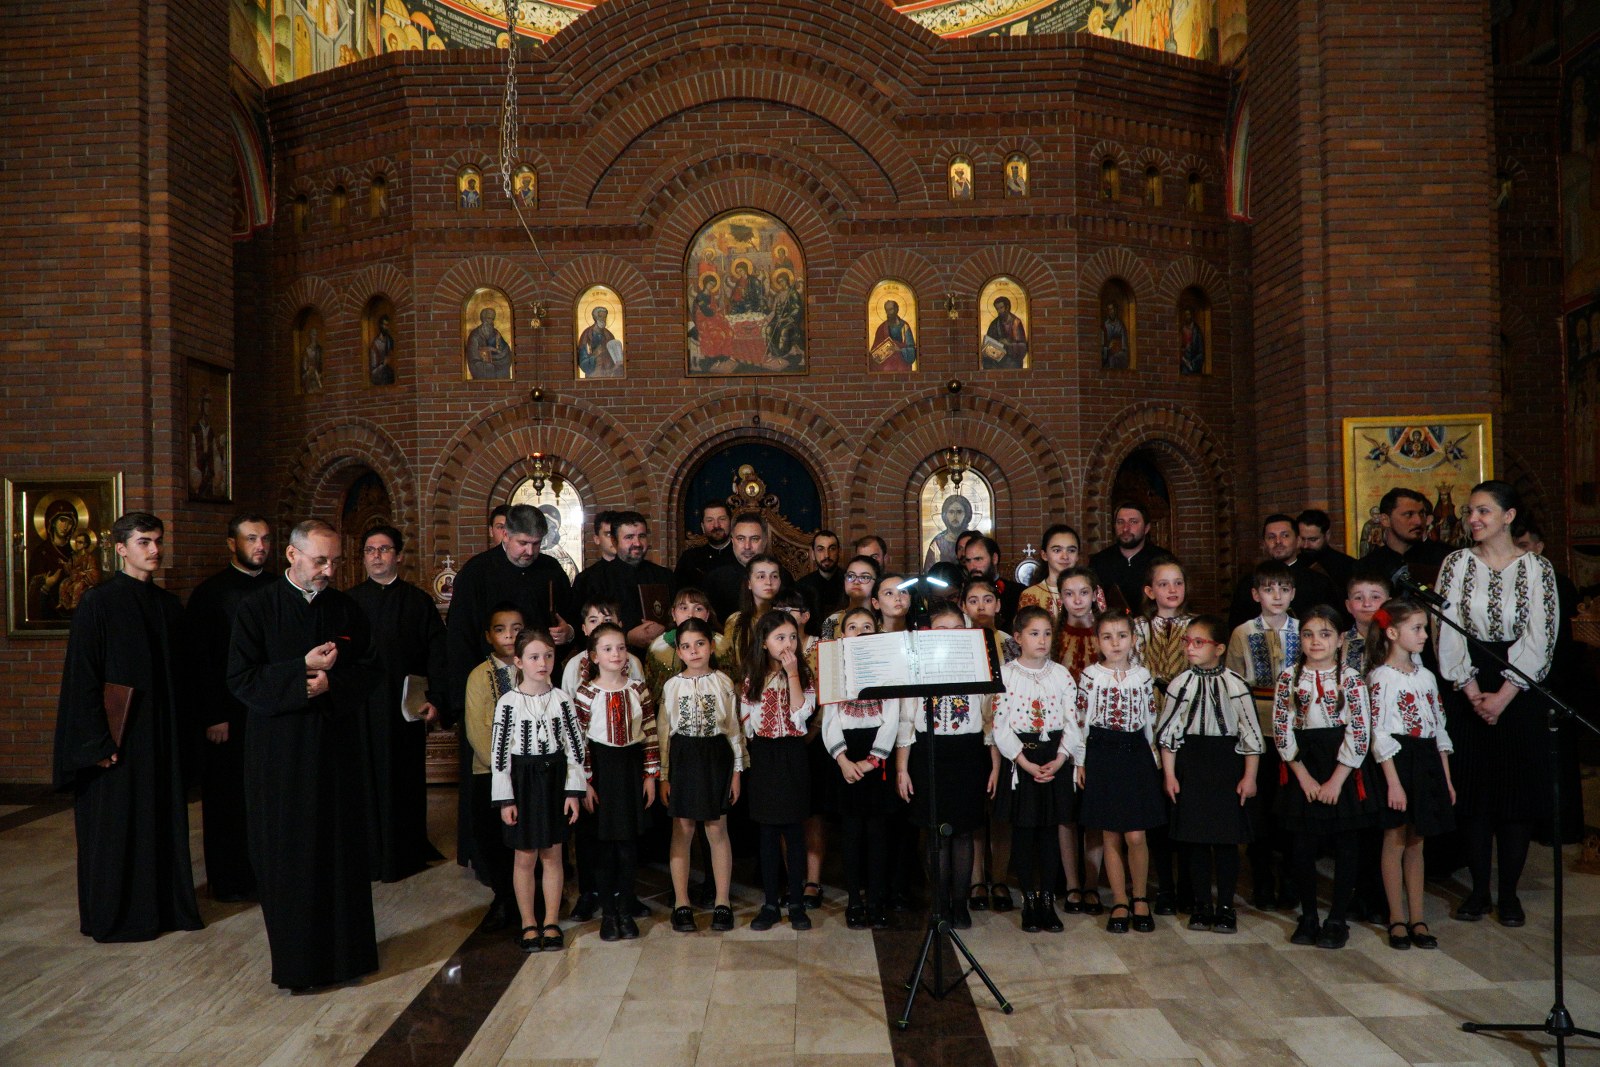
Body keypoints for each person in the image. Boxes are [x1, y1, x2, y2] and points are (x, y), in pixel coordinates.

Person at [228, 520, 381, 990]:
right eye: (319, 561)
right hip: (281, 756)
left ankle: (349, 959)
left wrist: (333, 682)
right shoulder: (256, 608)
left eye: (334, 561)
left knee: (341, 852)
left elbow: (371, 669)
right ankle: (300, 966)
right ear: (292, 556)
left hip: (336, 752)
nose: (328, 570)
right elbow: (241, 679)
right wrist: (301, 673)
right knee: (290, 857)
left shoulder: (345, 608)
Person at [53, 511, 203, 944]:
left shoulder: (168, 606)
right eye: (144, 542)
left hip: (160, 737)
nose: (155, 550)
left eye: (158, 541)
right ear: (120, 549)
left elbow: (183, 679)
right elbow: (83, 677)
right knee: (116, 828)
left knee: (160, 823)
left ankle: (165, 909)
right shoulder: (98, 603)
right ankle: (117, 916)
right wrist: (97, 742)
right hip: (117, 739)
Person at [1435, 481, 1557, 927]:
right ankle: (1478, 892)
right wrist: (1470, 691)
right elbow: (1444, 628)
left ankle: (1509, 895)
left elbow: (1541, 637)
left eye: (1484, 511)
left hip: (1519, 689)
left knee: (1514, 796)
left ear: (1508, 516)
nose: (1473, 519)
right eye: (1470, 512)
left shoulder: (1537, 568)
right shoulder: (1455, 564)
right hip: (1467, 681)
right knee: (1474, 793)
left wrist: (1504, 696)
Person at [445, 504, 575, 900]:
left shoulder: (550, 570)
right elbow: (460, 635)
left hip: (539, 690)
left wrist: (567, 632)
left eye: (536, 544)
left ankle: (548, 864)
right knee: (492, 784)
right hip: (488, 687)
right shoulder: (477, 572)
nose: (529, 552)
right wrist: (467, 694)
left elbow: (569, 623)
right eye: (522, 543)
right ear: (504, 535)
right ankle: (494, 871)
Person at [348, 524, 447, 882]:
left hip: (404, 709)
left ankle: (403, 853)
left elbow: (438, 654)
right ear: (363, 557)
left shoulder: (418, 602)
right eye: (370, 550)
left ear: (399, 556)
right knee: (362, 781)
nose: (377, 556)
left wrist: (436, 699)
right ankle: (368, 854)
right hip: (359, 711)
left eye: (384, 549)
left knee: (403, 780)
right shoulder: (348, 602)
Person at [1274, 605, 1376, 950]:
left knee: (1346, 843)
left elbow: (1360, 730)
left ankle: (1337, 918)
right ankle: (1308, 916)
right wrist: (1302, 775)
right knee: (1302, 844)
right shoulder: (1288, 677)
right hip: (1304, 764)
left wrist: (1337, 780)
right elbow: (1281, 729)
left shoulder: (1351, 679)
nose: (1316, 641)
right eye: (1308, 634)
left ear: (1340, 639)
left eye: (1325, 634)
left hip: (1339, 765)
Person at [185, 513, 275, 902]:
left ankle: (270, 877)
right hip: (226, 715)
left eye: (265, 539)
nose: (260, 546)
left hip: (268, 712)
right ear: (231, 544)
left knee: (267, 798)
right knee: (227, 800)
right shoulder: (210, 594)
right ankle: (230, 881)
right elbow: (200, 661)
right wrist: (213, 714)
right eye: (251, 539)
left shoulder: (278, 587)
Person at [896, 603, 1000, 929]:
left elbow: (988, 718)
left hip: (968, 754)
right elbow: (907, 720)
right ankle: (939, 903)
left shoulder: (979, 665)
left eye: (957, 629)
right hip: (929, 752)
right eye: (943, 630)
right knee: (936, 832)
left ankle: (960, 902)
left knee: (964, 832)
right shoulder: (918, 668)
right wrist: (902, 769)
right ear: (929, 634)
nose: (951, 636)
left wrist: (994, 765)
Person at [1156, 615, 1261, 934]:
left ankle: (1225, 906)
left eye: (1199, 642)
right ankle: (1201, 904)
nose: (1190, 648)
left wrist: (1250, 776)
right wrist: (1170, 775)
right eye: (1187, 641)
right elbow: (1168, 733)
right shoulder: (1180, 684)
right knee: (1196, 840)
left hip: (1226, 764)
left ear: (1219, 648)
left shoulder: (1236, 684)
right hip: (1192, 763)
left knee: (1226, 841)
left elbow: (1250, 733)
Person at [1366, 600, 1455, 951]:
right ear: (1392, 632)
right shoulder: (1381, 678)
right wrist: (1393, 783)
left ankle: (1418, 917)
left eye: (1424, 628)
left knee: (1418, 841)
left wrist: (1446, 779)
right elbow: (1379, 732)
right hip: (1397, 762)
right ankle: (1396, 917)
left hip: (1426, 760)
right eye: (1416, 628)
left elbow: (1438, 728)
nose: (1424, 635)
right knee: (1395, 839)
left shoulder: (1426, 676)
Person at [492, 628, 587, 953]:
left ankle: (551, 920)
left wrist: (572, 792)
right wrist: (506, 798)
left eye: (548, 655)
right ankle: (528, 922)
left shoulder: (562, 700)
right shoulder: (508, 703)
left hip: (553, 782)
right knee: (524, 856)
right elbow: (499, 755)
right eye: (534, 657)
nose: (542, 663)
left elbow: (575, 749)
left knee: (553, 854)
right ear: (519, 661)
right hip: (523, 783)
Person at [1071, 610, 1165, 934]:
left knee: (1136, 834)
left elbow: (1150, 720)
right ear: (1098, 641)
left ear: (1133, 639)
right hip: (1102, 753)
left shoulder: (1143, 676)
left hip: (1136, 754)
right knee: (1110, 833)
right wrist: (1080, 761)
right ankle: (1120, 900)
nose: (1115, 643)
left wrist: (1154, 759)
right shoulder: (1090, 676)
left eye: (1122, 636)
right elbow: (1081, 720)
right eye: (1107, 637)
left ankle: (1140, 896)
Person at [993, 606, 1079, 934]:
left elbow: (1072, 720)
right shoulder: (1006, 675)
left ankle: (1047, 900)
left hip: (1054, 759)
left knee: (1050, 832)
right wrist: (1024, 762)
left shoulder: (1061, 674)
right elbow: (1000, 726)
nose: (1042, 640)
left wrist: (1062, 757)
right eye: (1034, 633)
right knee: (1025, 832)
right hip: (1022, 760)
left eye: (1046, 633)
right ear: (1018, 638)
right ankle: (1029, 899)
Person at [572, 623, 659, 940]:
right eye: (608, 649)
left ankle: (625, 909)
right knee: (604, 847)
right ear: (594, 656)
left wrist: (650, 776)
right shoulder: (585, 694)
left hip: (630, 770)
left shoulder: (638, 689)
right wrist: (586, 782)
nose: (616, 654)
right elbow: (579, 742)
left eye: (621, 647)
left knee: (627, 846)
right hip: (600, 773)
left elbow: (650, 733)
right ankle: (608, 913)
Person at [821, 608, 903, 931]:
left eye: (867, 626)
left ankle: (876, 900)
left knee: (878, 833)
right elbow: (829, 720)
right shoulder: (833, 666)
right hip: (845, 754)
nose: (860, 632)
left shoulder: (888, 666)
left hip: (876, 755)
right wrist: (843, 760)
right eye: (853, 627)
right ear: (843, 634)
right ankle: (854, 900)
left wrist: (872, 761)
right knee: (851, 833)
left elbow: (892, 717)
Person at [660, 618, 745, 933]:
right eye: (686, 646)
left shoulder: (723, 682)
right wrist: (664, 775)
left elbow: (734, 729)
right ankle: (682, 903)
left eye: (700, 644)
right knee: (682, 829)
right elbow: (665, 732)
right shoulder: (671, 686)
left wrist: (737, 771)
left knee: (717, 828)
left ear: (711, 646)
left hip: (716, 756)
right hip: (683, 757)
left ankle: (722, 902)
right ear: (679, 652)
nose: (694, 651)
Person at [1226, 560, 1298, 911]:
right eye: (1269, 589)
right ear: (1256, 594)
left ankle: (1290, 880)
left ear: (1293, 593)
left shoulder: (1304, 630)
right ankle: (1262, 880)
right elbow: (1233, 682)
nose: (1277, 596)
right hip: (1255, 726)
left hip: (1294, 728)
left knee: (1290, 808)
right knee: (1259, 809)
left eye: (1283, 589)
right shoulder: (1242, 632)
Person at [740, 610, 817, 931]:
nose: (787, 644)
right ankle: (770, 903)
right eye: (779, 638)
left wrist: (793, 674)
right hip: (764, 757)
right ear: (764, 643)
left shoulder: (804, 676)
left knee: (795, 833)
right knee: (768, 834)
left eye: (792, 637)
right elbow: (747, 723)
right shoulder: (752, 679)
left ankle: (796, 902)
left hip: (793, 755)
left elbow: (801, 713)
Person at [462, 605, 526, 930]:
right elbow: (477, 731)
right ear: (489, 636)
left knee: (526, 841)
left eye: (517, 629)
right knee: (493, 840)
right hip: (490, 773)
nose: (509, 636)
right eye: (501, 630)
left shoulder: (534, 668)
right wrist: (504, 768)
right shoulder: (478, 676)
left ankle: (529, 899)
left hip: (529, 774)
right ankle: (503, 897)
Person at [573, 511, 675, 660]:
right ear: (614, 541)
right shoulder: (590, 579)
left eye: (642, 536)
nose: (637, 543)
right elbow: (582, 630)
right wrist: (627, 637)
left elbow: (678, 616)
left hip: (663, 657)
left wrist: (665, 629)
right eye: (629, 537)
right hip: (613, 661)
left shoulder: (664, 576)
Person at [1227, 514, 1341, 631]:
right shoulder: (1248, 583)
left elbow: (1333, 627)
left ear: (1298, 541)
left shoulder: (1319, 583)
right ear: (1263, 544)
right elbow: (1237, 629)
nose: (1278, 541)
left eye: (1285, 535)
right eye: (1271, 537)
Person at [702, 511, 790, 623]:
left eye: (754, 539)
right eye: (741, 539)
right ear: (732, 541)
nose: (747, 546)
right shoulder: (715, 579)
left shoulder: (782, 576)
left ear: (765, 541)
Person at [1361, 488, 1451, 588]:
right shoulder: (1367, 567)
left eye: (1421, 514)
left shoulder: (1447, 559)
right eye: (1408, 514)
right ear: (1385, 520)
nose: (1418, 521)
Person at [1089, 502, 1170, 612]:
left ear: (1146, 528)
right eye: (1120, 522)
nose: (1125, 528)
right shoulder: (1099, 561)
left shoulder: (1163, 560)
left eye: (1133, 522)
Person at [723, 553, 784, 677]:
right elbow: (729, 665)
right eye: (761, 576)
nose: (769, 582)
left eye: (774, 576)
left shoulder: (786, 619)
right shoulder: (736, 621)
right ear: (749, 583)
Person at [1018, 524, 1083, 618]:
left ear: (1077, 556)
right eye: (1057, 550)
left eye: (1071, 550)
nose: (1065, 556)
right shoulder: (1031, 595)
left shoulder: (1090, 590)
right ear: (1044, 555)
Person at [961, 534, 1021, 632]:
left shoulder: (1018, 592)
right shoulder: (962, 592)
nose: (972, 566)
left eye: (978, 559)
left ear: (994, 559)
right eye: (968, 561)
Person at [1053, 566, 1103, 681]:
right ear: (1061, 597)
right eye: (1069, 594)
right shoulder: (1052, 635)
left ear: (1094, 595)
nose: (1077, 601)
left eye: (1084, 592)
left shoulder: (1106, 634)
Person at [794, 528, 844, 631]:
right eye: (821, 549)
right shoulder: (801, 586)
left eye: (832, 548)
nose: (827, 555)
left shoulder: (850, 582)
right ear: (813, 554)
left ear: (839, 552)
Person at [674, 502, 733, 589]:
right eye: (710, 520)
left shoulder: (743, 555)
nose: (716, 525)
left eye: (722, 519)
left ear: (731, 523)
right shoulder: (689, 559)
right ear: (702, 527)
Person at [818, 554, 878, 639]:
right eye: (851, 576)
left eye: (864, 577)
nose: (856, 582)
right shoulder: (832, 621)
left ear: (877, 582)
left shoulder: (883, 619)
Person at [1296, 508, 1355, 592]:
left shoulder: (1347, 566)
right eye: (1302, 539)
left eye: (1313, 540)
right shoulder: (1294, 564)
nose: (1305, 545)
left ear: (1327, 535)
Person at [924, 495, 973, 569]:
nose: (955, 516)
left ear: (966, 515)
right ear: (945, 515)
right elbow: (929, 571)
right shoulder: (937, 544)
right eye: (951, 512)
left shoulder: (974, 540)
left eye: (959, 512)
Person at [464, 307, 513, 380]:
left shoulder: (496, 333)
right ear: (483, 319)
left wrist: (501, 352)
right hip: (481, 365)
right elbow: (473, 356)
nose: (491, 321)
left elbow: (505, 349)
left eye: (493, 319)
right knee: (489, 367)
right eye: (489, 318)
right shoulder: (475, 335)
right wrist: (487, 354)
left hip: (497, 362)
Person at [982, 295, 1028, 368]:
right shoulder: (994, 324)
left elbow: (1023, 346)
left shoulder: (1016, 323)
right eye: (997, 309)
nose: (999, 311)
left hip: (1012, 359)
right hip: (997, 357)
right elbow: (988, 343)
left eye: (1001, 308)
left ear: (1007, 307)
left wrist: (1008, 344)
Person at [869, 299, 916, 371]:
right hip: (886, 363)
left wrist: (899, 350)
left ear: (896, 309)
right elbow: (875, 351)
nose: (889, 313)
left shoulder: (905, 327)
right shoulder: (882, 328)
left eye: (891, 309)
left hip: (901, 361)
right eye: (887, 310)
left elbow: (912, 350)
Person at [575, 306, 621, 378]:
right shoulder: (587, 335)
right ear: (595, 318)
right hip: (593, 374)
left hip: (609, 373)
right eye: (600, 316)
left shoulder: (609, 335)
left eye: (605, 317)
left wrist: (618, 362)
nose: (603, 319)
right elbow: (582, 361)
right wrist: (595, 355)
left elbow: (615, 355)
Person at [368, 314, 396, 385]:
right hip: (380, 378)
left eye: (387, 325)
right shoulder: (375, 345)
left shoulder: (389, 340)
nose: (386, 327)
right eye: (385, 325)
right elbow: (373, 372)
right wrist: (383, 364)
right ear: (380, 326)